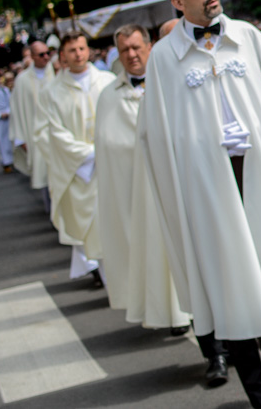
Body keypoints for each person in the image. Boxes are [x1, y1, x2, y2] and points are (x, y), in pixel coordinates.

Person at [139, 0, 261, 409]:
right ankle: (259, 394)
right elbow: (155, 133)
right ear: (177, 1)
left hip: (260, 174)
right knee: (231, 288)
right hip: (208, 189)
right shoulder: (164, 58)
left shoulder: (249, 37)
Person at [95, 25, 193, 332]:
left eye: (137, 47)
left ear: (150, 47)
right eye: (125, 50)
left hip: (178, 181)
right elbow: (107, 146)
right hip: (136, 188)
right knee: (152, 251)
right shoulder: (108, 97)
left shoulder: (174, 80)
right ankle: (169, 313)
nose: (132, 55)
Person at [41, 33, 115, 282]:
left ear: (88, 50)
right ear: (63, 55)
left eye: (82, 48)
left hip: (114, 165)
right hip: (82, 171)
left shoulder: (107, 81)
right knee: (94, 233)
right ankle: (106, 282)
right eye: (72, 50)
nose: (78, 54)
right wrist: (91, 154)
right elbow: (55, 134)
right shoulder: (52, 92)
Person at [9, 40, 55, 189]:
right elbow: (17, 110)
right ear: (33, 56)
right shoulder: (22, 80)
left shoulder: (57, 73)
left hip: (56, 132)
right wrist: (21, 139)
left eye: (48, 53)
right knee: (43, 177)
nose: (46, 57)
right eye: (41, 54)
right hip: (35, 134)